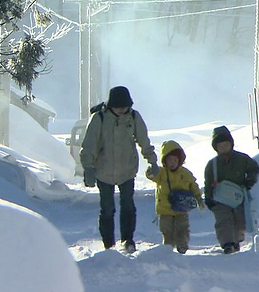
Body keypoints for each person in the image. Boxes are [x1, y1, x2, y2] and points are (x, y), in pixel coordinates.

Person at [80, 86, 159, 253]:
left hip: (127, 170)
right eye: (119, 107)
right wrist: (89, 168)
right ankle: (108, 243)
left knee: (128, 205)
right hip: (104, 171)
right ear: (111, 105)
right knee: (107, 208)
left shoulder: (134, 117)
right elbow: (89, 145)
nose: (122, 110)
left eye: (125, 107)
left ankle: (127, 239)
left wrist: (152, 161)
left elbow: (144, 141)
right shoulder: (99, 118)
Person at [203, 125, 259, 254]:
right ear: (216, 148)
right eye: (220, 146)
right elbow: (208, 182)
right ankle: (227, 243)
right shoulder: (212, 164)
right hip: (219, 199)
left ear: (231, 144)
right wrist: (208, 197)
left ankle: (236, 241)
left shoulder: (242, 159)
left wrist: (250, 180)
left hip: (238, 197)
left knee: (239, 221)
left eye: (226, 145)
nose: (223, 148)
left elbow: (254, 168)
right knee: (224, 220)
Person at [146, 140, 205, 254]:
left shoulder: (186, 174)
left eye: (175, 160)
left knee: (182, 229)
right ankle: (168, 248)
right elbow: (152, 176)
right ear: (165, 161)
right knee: (166, 230)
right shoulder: (162, 173)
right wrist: (150, 172)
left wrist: (199, 199)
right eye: (169, 160)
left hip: (181, 210)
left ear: (180, 160)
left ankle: (182, 246)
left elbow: (194, 186)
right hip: (165, 210)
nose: (172, 163)